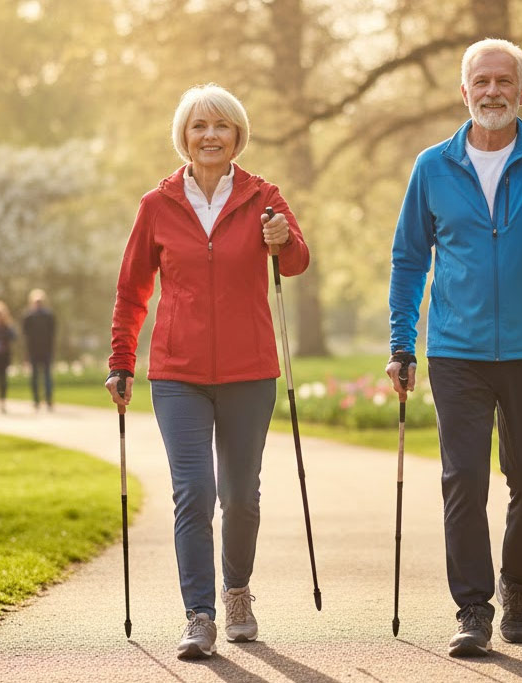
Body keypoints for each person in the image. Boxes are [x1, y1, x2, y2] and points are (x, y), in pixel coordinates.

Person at [385, 38, 522, 657]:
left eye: (503, 81)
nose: (492, 91)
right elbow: (409, 260)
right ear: (465, 92)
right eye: (480, 81)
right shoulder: (433, 166)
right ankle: (474, 608)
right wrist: (402, 343)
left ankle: (516, 582)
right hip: (456, 350)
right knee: (463, 479)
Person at [104, 84, 309, 660]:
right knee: (194, 492)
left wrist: (283, 238)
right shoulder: (158, 204)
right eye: (199, 126)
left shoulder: (263, 196)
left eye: (221, 125)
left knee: (241, 496)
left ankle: (237, 589)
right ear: (184, 137)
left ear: (238, 134)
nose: (210, 135)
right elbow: (132, 290)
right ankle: (199, 614)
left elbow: (295, 262)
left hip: (249, 371)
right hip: (178, 375)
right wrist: (121, 360)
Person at [22, 288, 56, 411]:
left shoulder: (49, 316)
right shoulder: (28, 316)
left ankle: (49, 400)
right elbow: (25, 335)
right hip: (33, 352)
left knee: (47, 377)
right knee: (35, 377)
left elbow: (52, 334)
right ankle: (36, 400)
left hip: (46, 351)